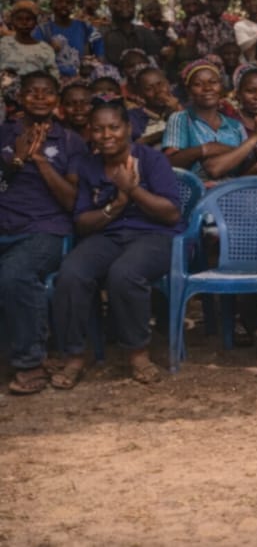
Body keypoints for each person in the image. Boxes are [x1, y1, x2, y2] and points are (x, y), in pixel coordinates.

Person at [50, 97, 184, 389]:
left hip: (156, 236)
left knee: (124, 273)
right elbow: (83, 221)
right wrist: (117, 206)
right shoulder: (88, 165)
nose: (106, 135)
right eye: (98, 129)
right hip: (108, 235)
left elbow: (172, 213)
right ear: (90, 132)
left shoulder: (152, 160)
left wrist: (132, 190)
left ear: (128, 128)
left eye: (114, 127)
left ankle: (137, 353)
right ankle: (74, 356)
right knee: (72, 272)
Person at [1, 72, 87, 395]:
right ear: (20, 98)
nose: (39, 97)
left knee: (15, 274)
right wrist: (13, 162)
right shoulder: (4, 133)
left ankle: (30, 362)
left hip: (45, 229)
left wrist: (38, 161)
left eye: (47, 92)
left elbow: (71, 201)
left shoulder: (70, 142)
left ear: (57, 100)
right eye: (32, 92)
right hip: (4, 225)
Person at [161, 57, 253, 182]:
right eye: (198, 84)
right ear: (189, 90)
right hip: (195, 194)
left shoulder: (235, 126)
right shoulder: (181, 118)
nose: (207, 88)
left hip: (233, 194)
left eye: (213, 82)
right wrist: (205, 149)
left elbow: (246, 165)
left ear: (221, 86)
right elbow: (170, 163)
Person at [34, 0, 104, 77]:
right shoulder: (42, 29)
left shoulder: (84, 26)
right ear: (51, 5)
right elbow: (36, 57)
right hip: (51, 78)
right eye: (59, 1)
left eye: (68, 2)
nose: (64, 5)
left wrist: (97, 59)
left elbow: (98, 41)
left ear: (73, 6)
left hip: (79, 78)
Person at [101, 0, 163, 68]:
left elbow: (156, 59)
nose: (124, 6)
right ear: (110, 7)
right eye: (118, 3)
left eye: (128, 3)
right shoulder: (101, 34)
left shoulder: (146, 33)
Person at [0, 0, 58, 78]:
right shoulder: (4, 44)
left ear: (35, 22)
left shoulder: (45, 49)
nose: (24, 23)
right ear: (12, 21)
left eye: (29, 19)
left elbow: (53, 76)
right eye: (19, 19)